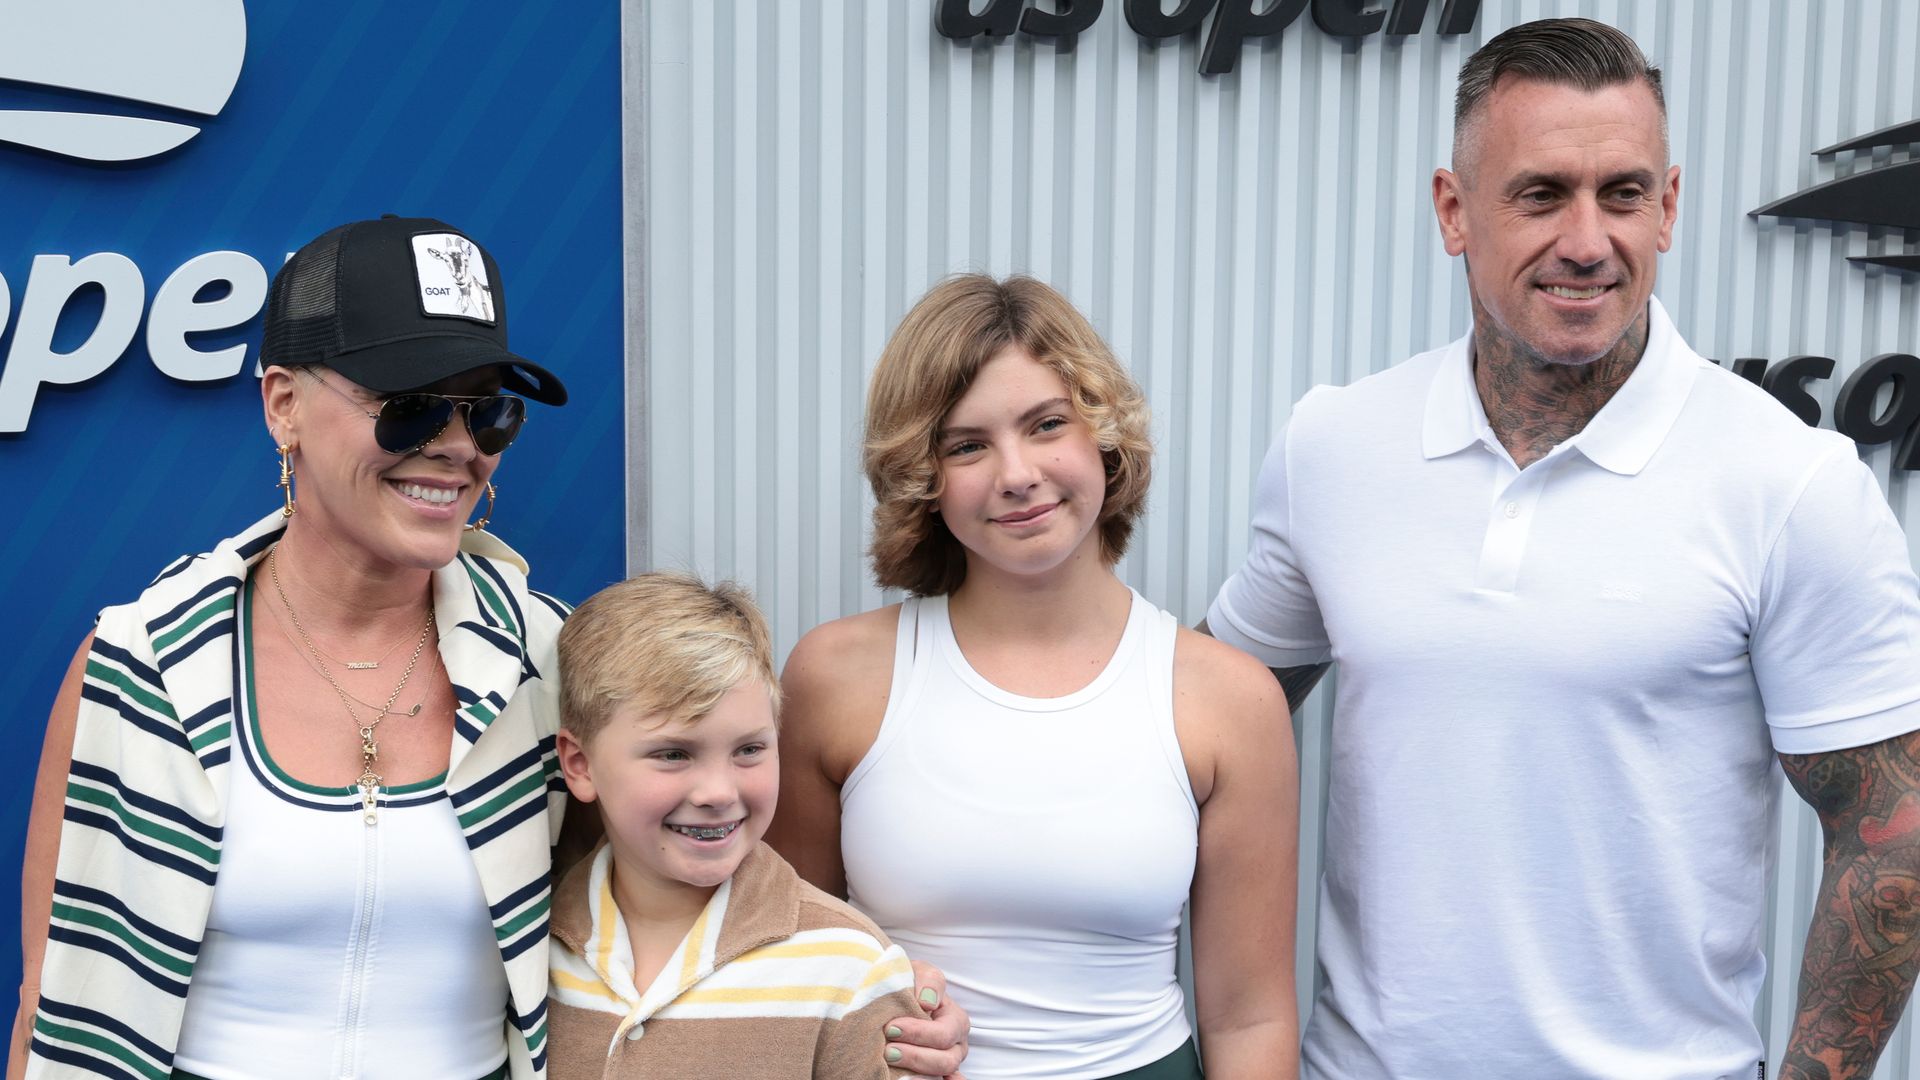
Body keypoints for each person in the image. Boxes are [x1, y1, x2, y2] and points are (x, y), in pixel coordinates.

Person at [10, 217, 968, 1080]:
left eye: (487, 409)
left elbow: (677, 875)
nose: (457, 443)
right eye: (410, 404)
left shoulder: (546, 659)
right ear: (284, 404)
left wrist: (882, 989)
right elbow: (53, 1006)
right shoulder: (142, 665)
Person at [1202, 18, 1920, 1080]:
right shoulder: (1335, 447)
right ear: (1454, 211)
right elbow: (1200, 722)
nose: (1587, 241)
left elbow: (1891, 831)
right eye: (1541, 195)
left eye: (1622, 194)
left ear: (1668, 206)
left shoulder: (1791, 483)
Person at [770, 274, 1300, 1079]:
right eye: (967, 445)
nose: (1016, 474)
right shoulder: (834, 679)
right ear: (922, 476)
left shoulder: (1229, 698)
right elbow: (784, 973)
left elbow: (1250, 1018)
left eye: (1047, 424)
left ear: (1105, 435)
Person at [547, 572, 927, 1079]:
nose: (719, 792)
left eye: (749, 749)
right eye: (673, 754)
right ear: (579, 765)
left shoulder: (851, 966)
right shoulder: (528, 947)